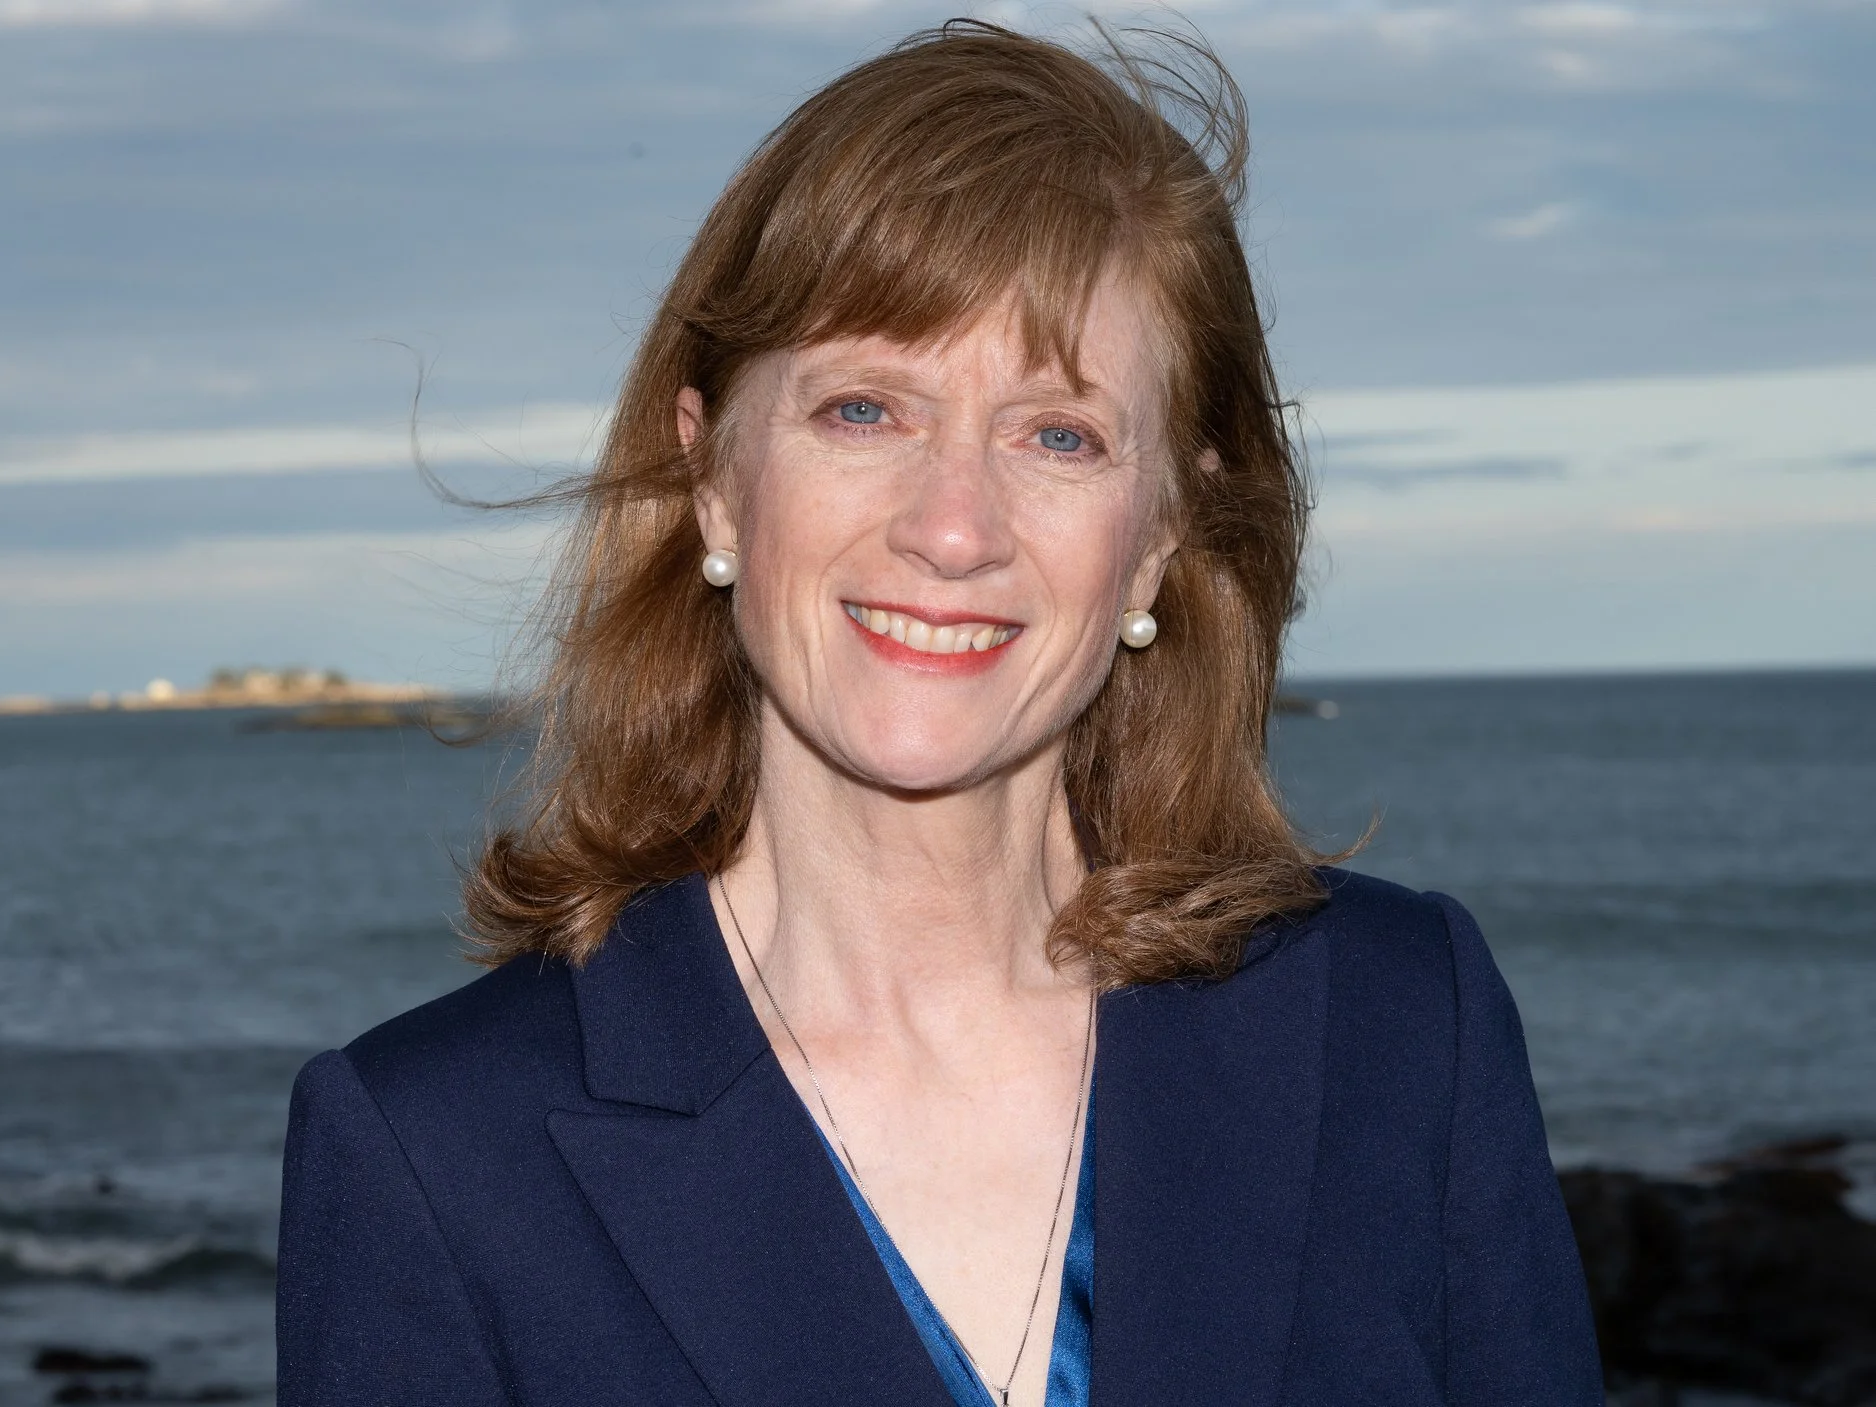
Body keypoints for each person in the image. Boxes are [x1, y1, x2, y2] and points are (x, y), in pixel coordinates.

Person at [277, 20, 1602, 1407]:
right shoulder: (433, 1152)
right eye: (865, 411)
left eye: (1060, 436)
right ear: (714, 477)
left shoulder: (1403, 1025)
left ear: (1160, 534)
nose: (953, 527)